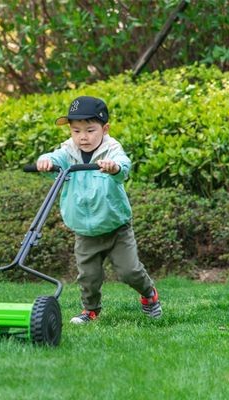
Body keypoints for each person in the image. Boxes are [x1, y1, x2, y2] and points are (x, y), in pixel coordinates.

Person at [36, 96, 162, 324]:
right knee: (88, 276)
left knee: (129, 271)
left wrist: (114, 168)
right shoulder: (67, 152)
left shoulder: (111, 150)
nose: (82, 137)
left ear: (105, 129)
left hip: (116, 228)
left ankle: (149, 295)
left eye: (90, 130)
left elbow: (123, 166)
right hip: (85, 231)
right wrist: (45, 161)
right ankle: (90, 310)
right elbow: (54, 160)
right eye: (76, 131)